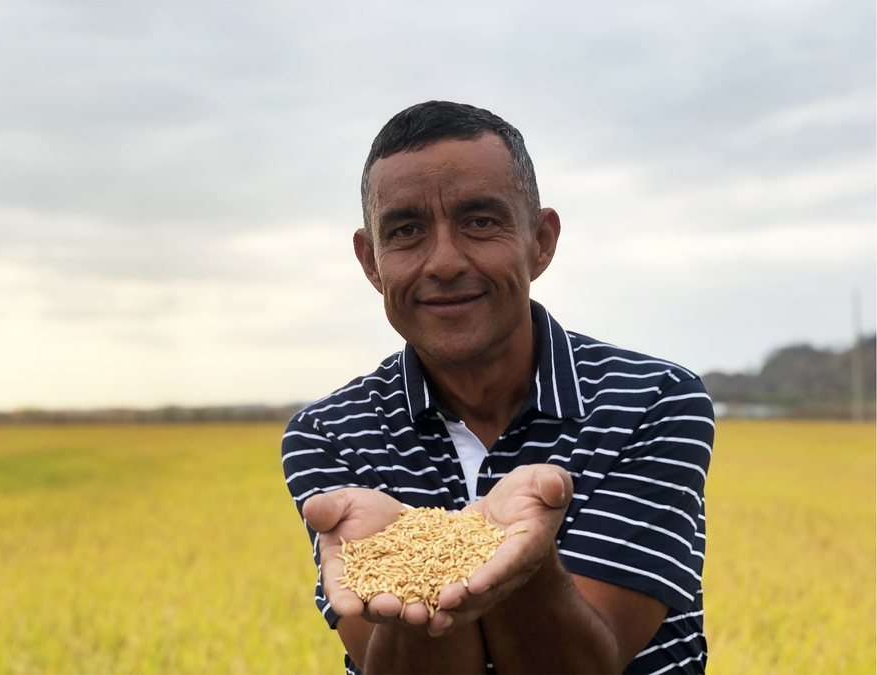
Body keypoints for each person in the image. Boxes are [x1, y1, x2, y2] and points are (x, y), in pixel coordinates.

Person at [282, 101, 714, 674]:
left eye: (481, 222)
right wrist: (428, 566)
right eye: (407, 231)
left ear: (541, 241)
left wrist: (527, 564)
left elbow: (592, 664)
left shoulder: (650, 401)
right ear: (371, 261)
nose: (443, 261)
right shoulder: (331, 433)